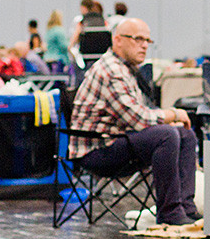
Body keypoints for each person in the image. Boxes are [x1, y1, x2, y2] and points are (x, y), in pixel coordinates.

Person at [69, 18, 200, 227]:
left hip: (116, 141)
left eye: (148, 40)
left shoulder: (125, 68)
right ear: (118, 40)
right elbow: (138, 119)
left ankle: (186, 209)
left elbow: (138, 117)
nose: (145, 45)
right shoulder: (112, 70)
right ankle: (170, 212)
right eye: (138, 39)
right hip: (96, 151)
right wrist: (174, 114)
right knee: (167, 134)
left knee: (185, 135)